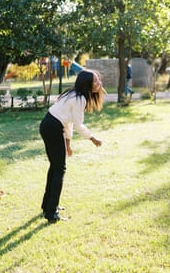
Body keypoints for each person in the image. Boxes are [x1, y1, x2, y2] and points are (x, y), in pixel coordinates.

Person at [39, 70, 105, 223]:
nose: (99, 83)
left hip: (49, 125)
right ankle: (51, 213)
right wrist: (92, 138)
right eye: (95, 81)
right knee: (59, 169)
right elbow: (77, 125)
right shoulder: (79, 98)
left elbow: (67, 123)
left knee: (55, 167)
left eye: (98, 80)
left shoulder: (73, 94)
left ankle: (47, 206)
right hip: (53, 127)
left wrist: (67, 144)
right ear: (86, 84)